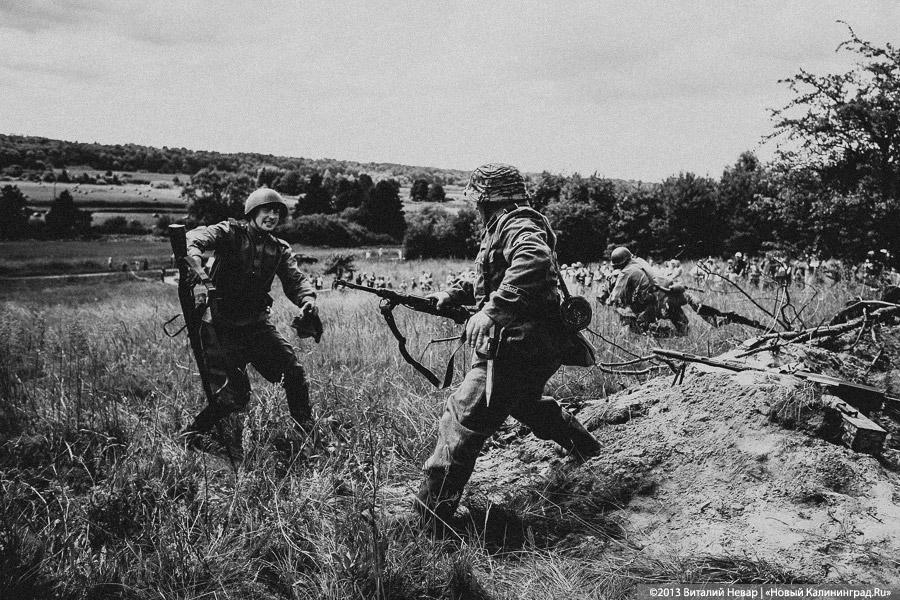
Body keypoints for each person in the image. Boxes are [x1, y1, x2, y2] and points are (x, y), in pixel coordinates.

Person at [416, 163, 600, 527]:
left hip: (516, 346)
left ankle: (429, 522)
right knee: (525, 403)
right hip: (530, 346)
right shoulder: (505, 226)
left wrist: (493, 312)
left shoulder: (517, 225)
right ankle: (589, 450)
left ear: (485, 198)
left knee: (462, 418)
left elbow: (533, 261)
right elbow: (493, 277)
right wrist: (452, 292)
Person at [181, 188, 318, 440]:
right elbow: (194, 237)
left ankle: (306, 433)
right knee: (235, 396)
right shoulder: (230, 233)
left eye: (277, 212)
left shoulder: (279, 249)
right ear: (253, 212)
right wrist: (196, 263)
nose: (272, 216)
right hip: (222, 327)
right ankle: (192, 433)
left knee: (293, 372)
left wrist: (307, 300)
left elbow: (295, 280)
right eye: (267, 210)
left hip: (257, 326)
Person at [606, 247, 695, 335]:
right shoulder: (640, 261)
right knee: (682, 326)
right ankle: (681, 333)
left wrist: (608, 300)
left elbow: (615, 294)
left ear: (621, 263)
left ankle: (667, 333)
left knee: (639, 326)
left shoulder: (626, 272)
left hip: (651, 302)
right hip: (664, 294)